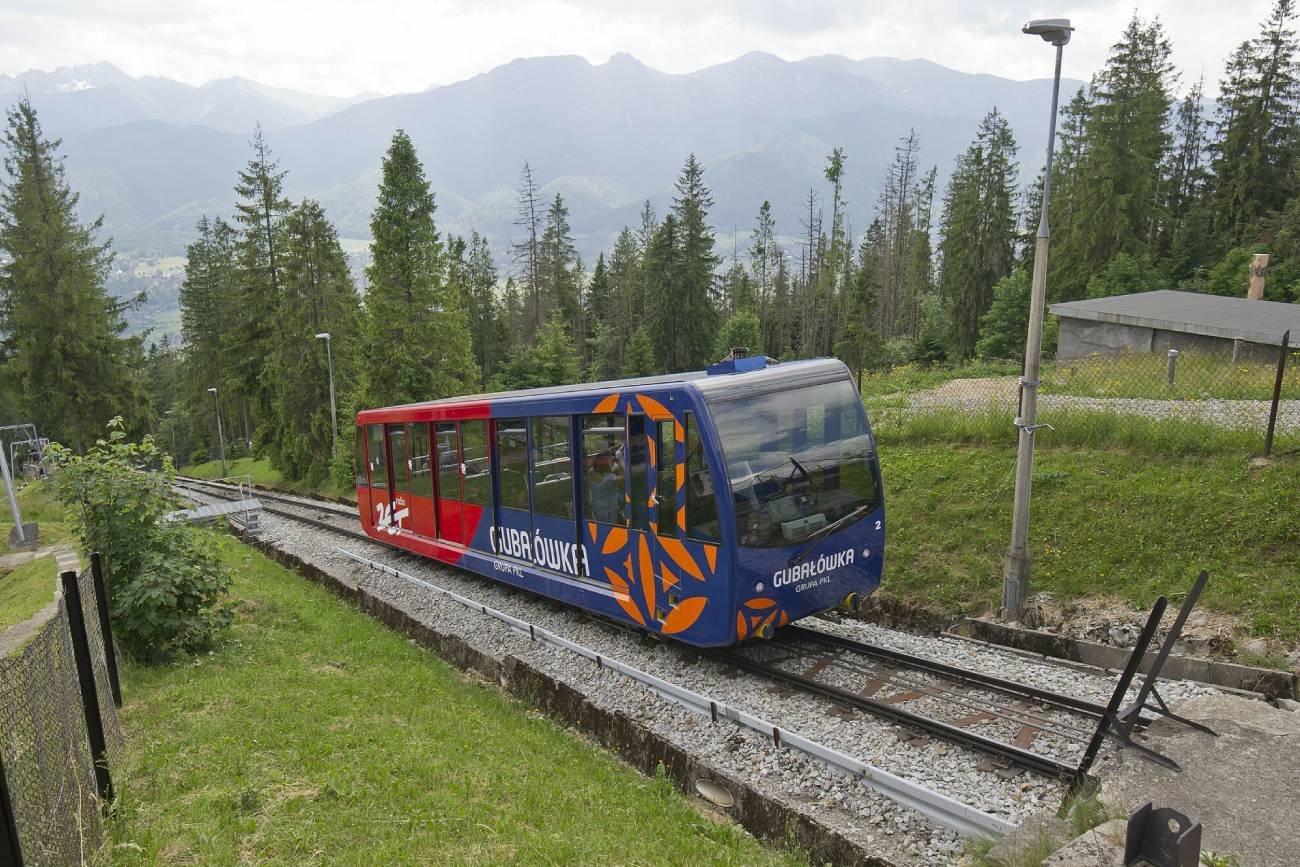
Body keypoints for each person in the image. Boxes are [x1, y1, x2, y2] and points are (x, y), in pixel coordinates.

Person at [587, 452, 623, 524]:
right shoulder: (609, 479)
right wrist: (618, 464)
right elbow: (624, 476)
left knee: (598, 526)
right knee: (610, 527)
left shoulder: (590, 472)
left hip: (596, 506)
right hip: (609, 508)